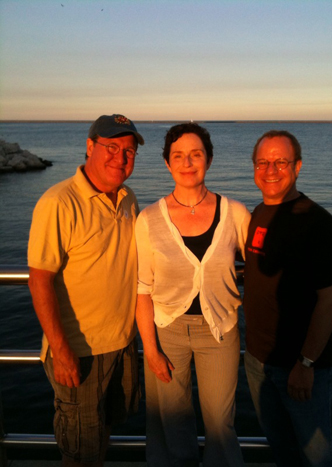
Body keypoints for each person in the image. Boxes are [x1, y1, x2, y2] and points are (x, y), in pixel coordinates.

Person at [28, 114, 144, 467]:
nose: (120, 157)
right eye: (111, 147)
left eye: (129, 151)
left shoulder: (127, 198)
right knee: (79, 452)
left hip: (121, 345)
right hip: (80, 352)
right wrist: (62, 352)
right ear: (90, 146)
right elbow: (39, 280)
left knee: (103, 432)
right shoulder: (59, 202)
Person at [135, 122, 250, 467]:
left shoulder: (236, 214)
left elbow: (264, 264)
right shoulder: (149, 219)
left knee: (220, 425)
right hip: (168, 331)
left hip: (220, 330)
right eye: (178, 156)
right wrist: (150, 350)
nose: (187, 162)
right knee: (174, 426)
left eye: (195, 154)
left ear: (209, 160)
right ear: (168, 164)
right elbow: (142, 289)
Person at [243, 130, 332, 467]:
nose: (270, 170)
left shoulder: (318, 223)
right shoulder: (259, 213)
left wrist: (305, 364)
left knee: (316, 458)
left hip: (301, 369)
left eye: (280, 162)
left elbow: (330, 302)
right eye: (263, 162)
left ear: (298, 166)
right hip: (258, 361)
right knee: (284, 453)